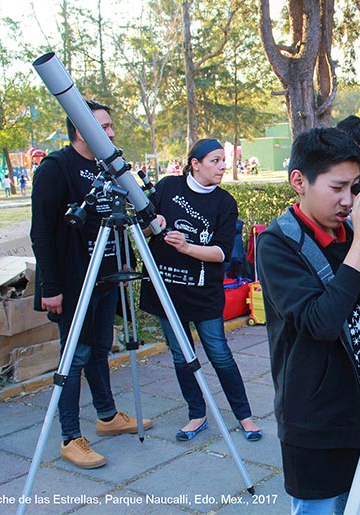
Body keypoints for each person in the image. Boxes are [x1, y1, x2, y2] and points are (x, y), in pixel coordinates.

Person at [257, 127, 360, 514]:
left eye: (354, 188)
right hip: (316, 419)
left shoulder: (353, 231)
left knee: (357, 503)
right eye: (337, 187)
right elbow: (320, 323)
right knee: (322, 507)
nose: (348, 201)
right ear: (299, 181)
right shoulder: (277, 245)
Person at [30, 99, 153, 469]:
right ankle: (70, 436)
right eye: (104, 127)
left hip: (104, 278)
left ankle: (107, 415)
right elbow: (41, 233)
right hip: (71, 283)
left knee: (100, 349)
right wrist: (50, 287)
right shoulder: (56, 168)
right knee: (75, 357)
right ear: (82, 130)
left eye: (111, 126)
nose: (112, 133)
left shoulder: (106, 168)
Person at [139, 138, 261, 443]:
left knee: (219, 354)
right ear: (195, 163)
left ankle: (244, 417)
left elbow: (221, 253)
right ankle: (197, 415)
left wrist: (188, 247)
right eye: (215, 161)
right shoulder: (166, 187)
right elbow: (138, 232)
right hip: (166, 290)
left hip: (204, 292)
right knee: (181, 356)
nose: (222, 166)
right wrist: (152, 224)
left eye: (223, 160)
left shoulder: (224, 203)